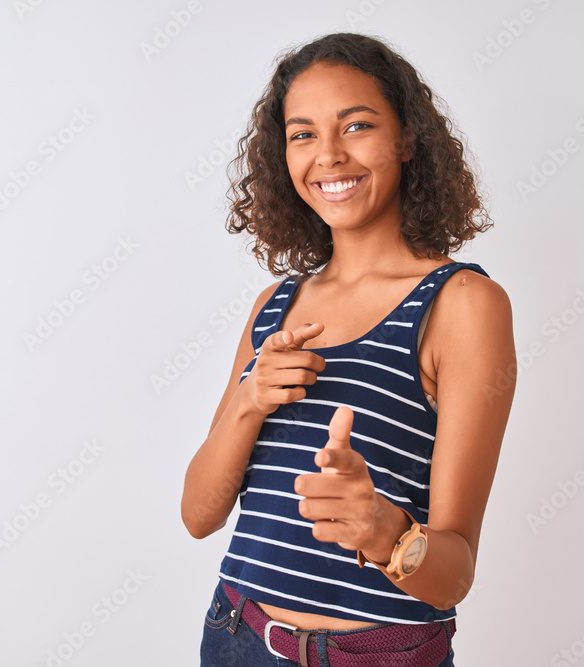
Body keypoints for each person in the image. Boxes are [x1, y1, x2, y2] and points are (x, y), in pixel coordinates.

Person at [183, 32, 516, 667]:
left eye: (357, 125)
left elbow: (455, 575)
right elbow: (199, 515)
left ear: (407, 138)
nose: (329, 155)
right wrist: (251, 400)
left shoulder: (462, 304)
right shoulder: (276, 305)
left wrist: (384, 531)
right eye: (303, 134)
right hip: (236, 635)